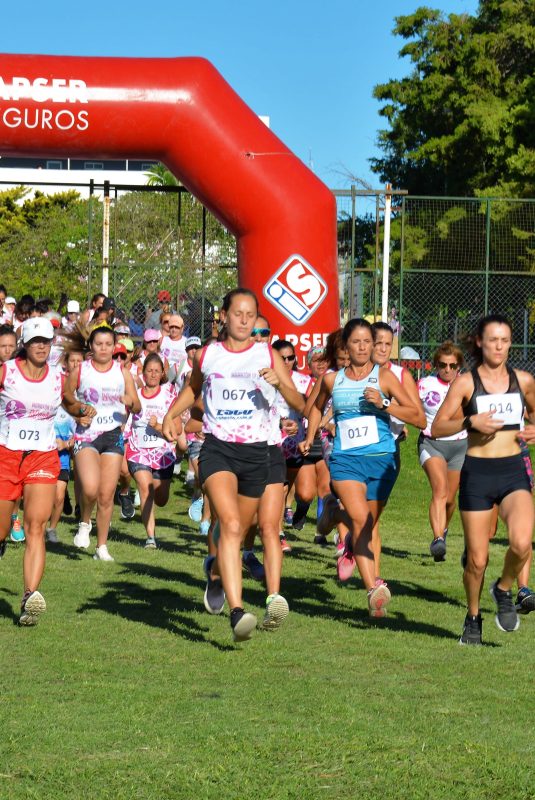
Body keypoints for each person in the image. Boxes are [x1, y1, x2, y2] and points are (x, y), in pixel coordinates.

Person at [162, 288, 304, 642]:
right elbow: (193, 390)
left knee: (238, 530)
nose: (243, 320)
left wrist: (279, 385)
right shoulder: (209, 354)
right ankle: (238, 611)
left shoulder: (267, 354)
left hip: (257, 452)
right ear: (223, 316)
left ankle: (214, 571)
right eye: (237, 313)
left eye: (250, 315)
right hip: (218, 449)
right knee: (229, 522)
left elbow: (299, 400)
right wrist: (171, 414)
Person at [301, 318, 425, 617]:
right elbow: (315, 407)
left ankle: (333, 511)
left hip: (383, 461)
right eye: (355, 342)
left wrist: (384, 405)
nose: (361, 347)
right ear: (346, 345)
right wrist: (309, 436)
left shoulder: (385, 378)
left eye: (367, 342)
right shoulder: (332, 380)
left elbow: (418, 418)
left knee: (366, 522)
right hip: (346, 460)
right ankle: (373, 589)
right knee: (362, 522)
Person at [432, 314, 535, 645]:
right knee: (477, 559)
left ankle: (503, 589)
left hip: (513, 470)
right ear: (480, 342)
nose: (500, 346)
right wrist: (469, 420)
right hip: (477, 473)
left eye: (505, 340)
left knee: (521, 543)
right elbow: (438, 427)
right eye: (493, 340)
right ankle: (473, 617)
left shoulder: (524, 380)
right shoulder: (465, 383)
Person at [0, 318, 92, 625]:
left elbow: (67, 401)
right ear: (24, 344)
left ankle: (30, 596)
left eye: (46, 340)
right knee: (0, 529)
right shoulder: (6, 372)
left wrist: (80, 410)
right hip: (6, 456)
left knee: (35, 526)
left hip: (42, 457)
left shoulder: (57, 376)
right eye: (36, 340)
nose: (42, 345)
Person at [63, 323, 141, 561]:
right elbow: (66, 398)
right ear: (91, 346)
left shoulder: (122, 372)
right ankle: (85, 521)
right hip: (87, 433)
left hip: (112, 435)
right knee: (89, 487)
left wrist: (130, 400)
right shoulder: (81, 370)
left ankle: (101, 547)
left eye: (109, 344)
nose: (104, 349)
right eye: (99, 344)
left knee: (107, 495)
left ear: (114, 346)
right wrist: (79, 410)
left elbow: (137, 406)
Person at [370, 321, 422, 573]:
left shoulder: (401, 376)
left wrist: (386, 405)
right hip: (350, 453)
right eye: (377, 342)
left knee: (372, 518)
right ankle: (374, 582)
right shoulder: (349, 373)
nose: (382, 348)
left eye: (387, 344)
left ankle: (373, 583)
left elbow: (419, 417)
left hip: (387, 452)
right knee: (357, 514)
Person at [417, 342, 467, 562]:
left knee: (450, 499)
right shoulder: (424, 384)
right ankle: (438, 540)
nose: (447, 369)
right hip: (431, 443)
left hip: (459, 446)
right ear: (435, 364)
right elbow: (409, 406)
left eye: (452, 365)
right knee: (440, 490)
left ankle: (443, 530)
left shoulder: (467, 385)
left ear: (459, 366)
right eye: (442, 365)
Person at [127, 354, 177, 548]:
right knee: (145, 487)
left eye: (157, 371)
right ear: (143, 373)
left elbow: (177, 430)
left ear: (162, 373)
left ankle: (155, 504)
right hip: (137, 451)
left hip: (163, 454)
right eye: (150, 370)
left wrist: (159, 427)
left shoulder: (169, 395)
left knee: (161, 499)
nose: (153, 374)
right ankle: (150, 538)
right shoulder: (136, 396)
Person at [45, 349, 83, 543]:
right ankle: (36, 525)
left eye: (80, 360)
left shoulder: (82, 399)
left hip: (63, 457)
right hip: (43, 454)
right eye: (72, 361)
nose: (76, 364)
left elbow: (84, 432)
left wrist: (67, 443)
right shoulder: (51, 392)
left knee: (59, 496)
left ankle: (51, 529)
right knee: (43, 498)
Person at [0, 324, 25, 542]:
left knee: (14, 484)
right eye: (3, 347)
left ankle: (14, 516)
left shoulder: (21, 372)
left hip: (14, 438)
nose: (8, 351)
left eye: (11, 346)